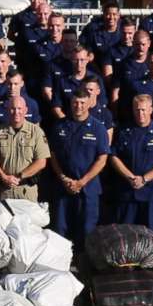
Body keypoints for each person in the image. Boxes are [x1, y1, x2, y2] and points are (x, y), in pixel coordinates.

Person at [46, 87, 112, 247]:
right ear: (71, 103)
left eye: (82, 103)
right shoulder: (59, 126)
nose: (79, 106)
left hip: (88, 190)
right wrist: (63, 178)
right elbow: (52, 155)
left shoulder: (98, 128)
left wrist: (82, 182)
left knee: (87, 233)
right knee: (60, 232)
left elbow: (102, 159)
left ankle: (85, 269)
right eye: (75, 102)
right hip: (63, 188)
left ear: (89, 103)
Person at [109, 90, 153, 232]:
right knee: (126, 234)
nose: (141, 114)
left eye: (144, 110)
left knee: (150, 235)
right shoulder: (123, 131)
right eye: (137, 110)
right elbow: (114, 157)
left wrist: (144, 179)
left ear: (151, 109)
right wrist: (130, 177)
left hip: (151, 194)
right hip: (128, 192)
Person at [0, 92, 49, 203]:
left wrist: (20, 176)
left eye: (19, 108)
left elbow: (41, 161)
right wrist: (4, 177)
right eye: (13, 108)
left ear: (26, 110)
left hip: (27, 191)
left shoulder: (36, 132)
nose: (16, 112)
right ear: (7, 110)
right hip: (4, 191)